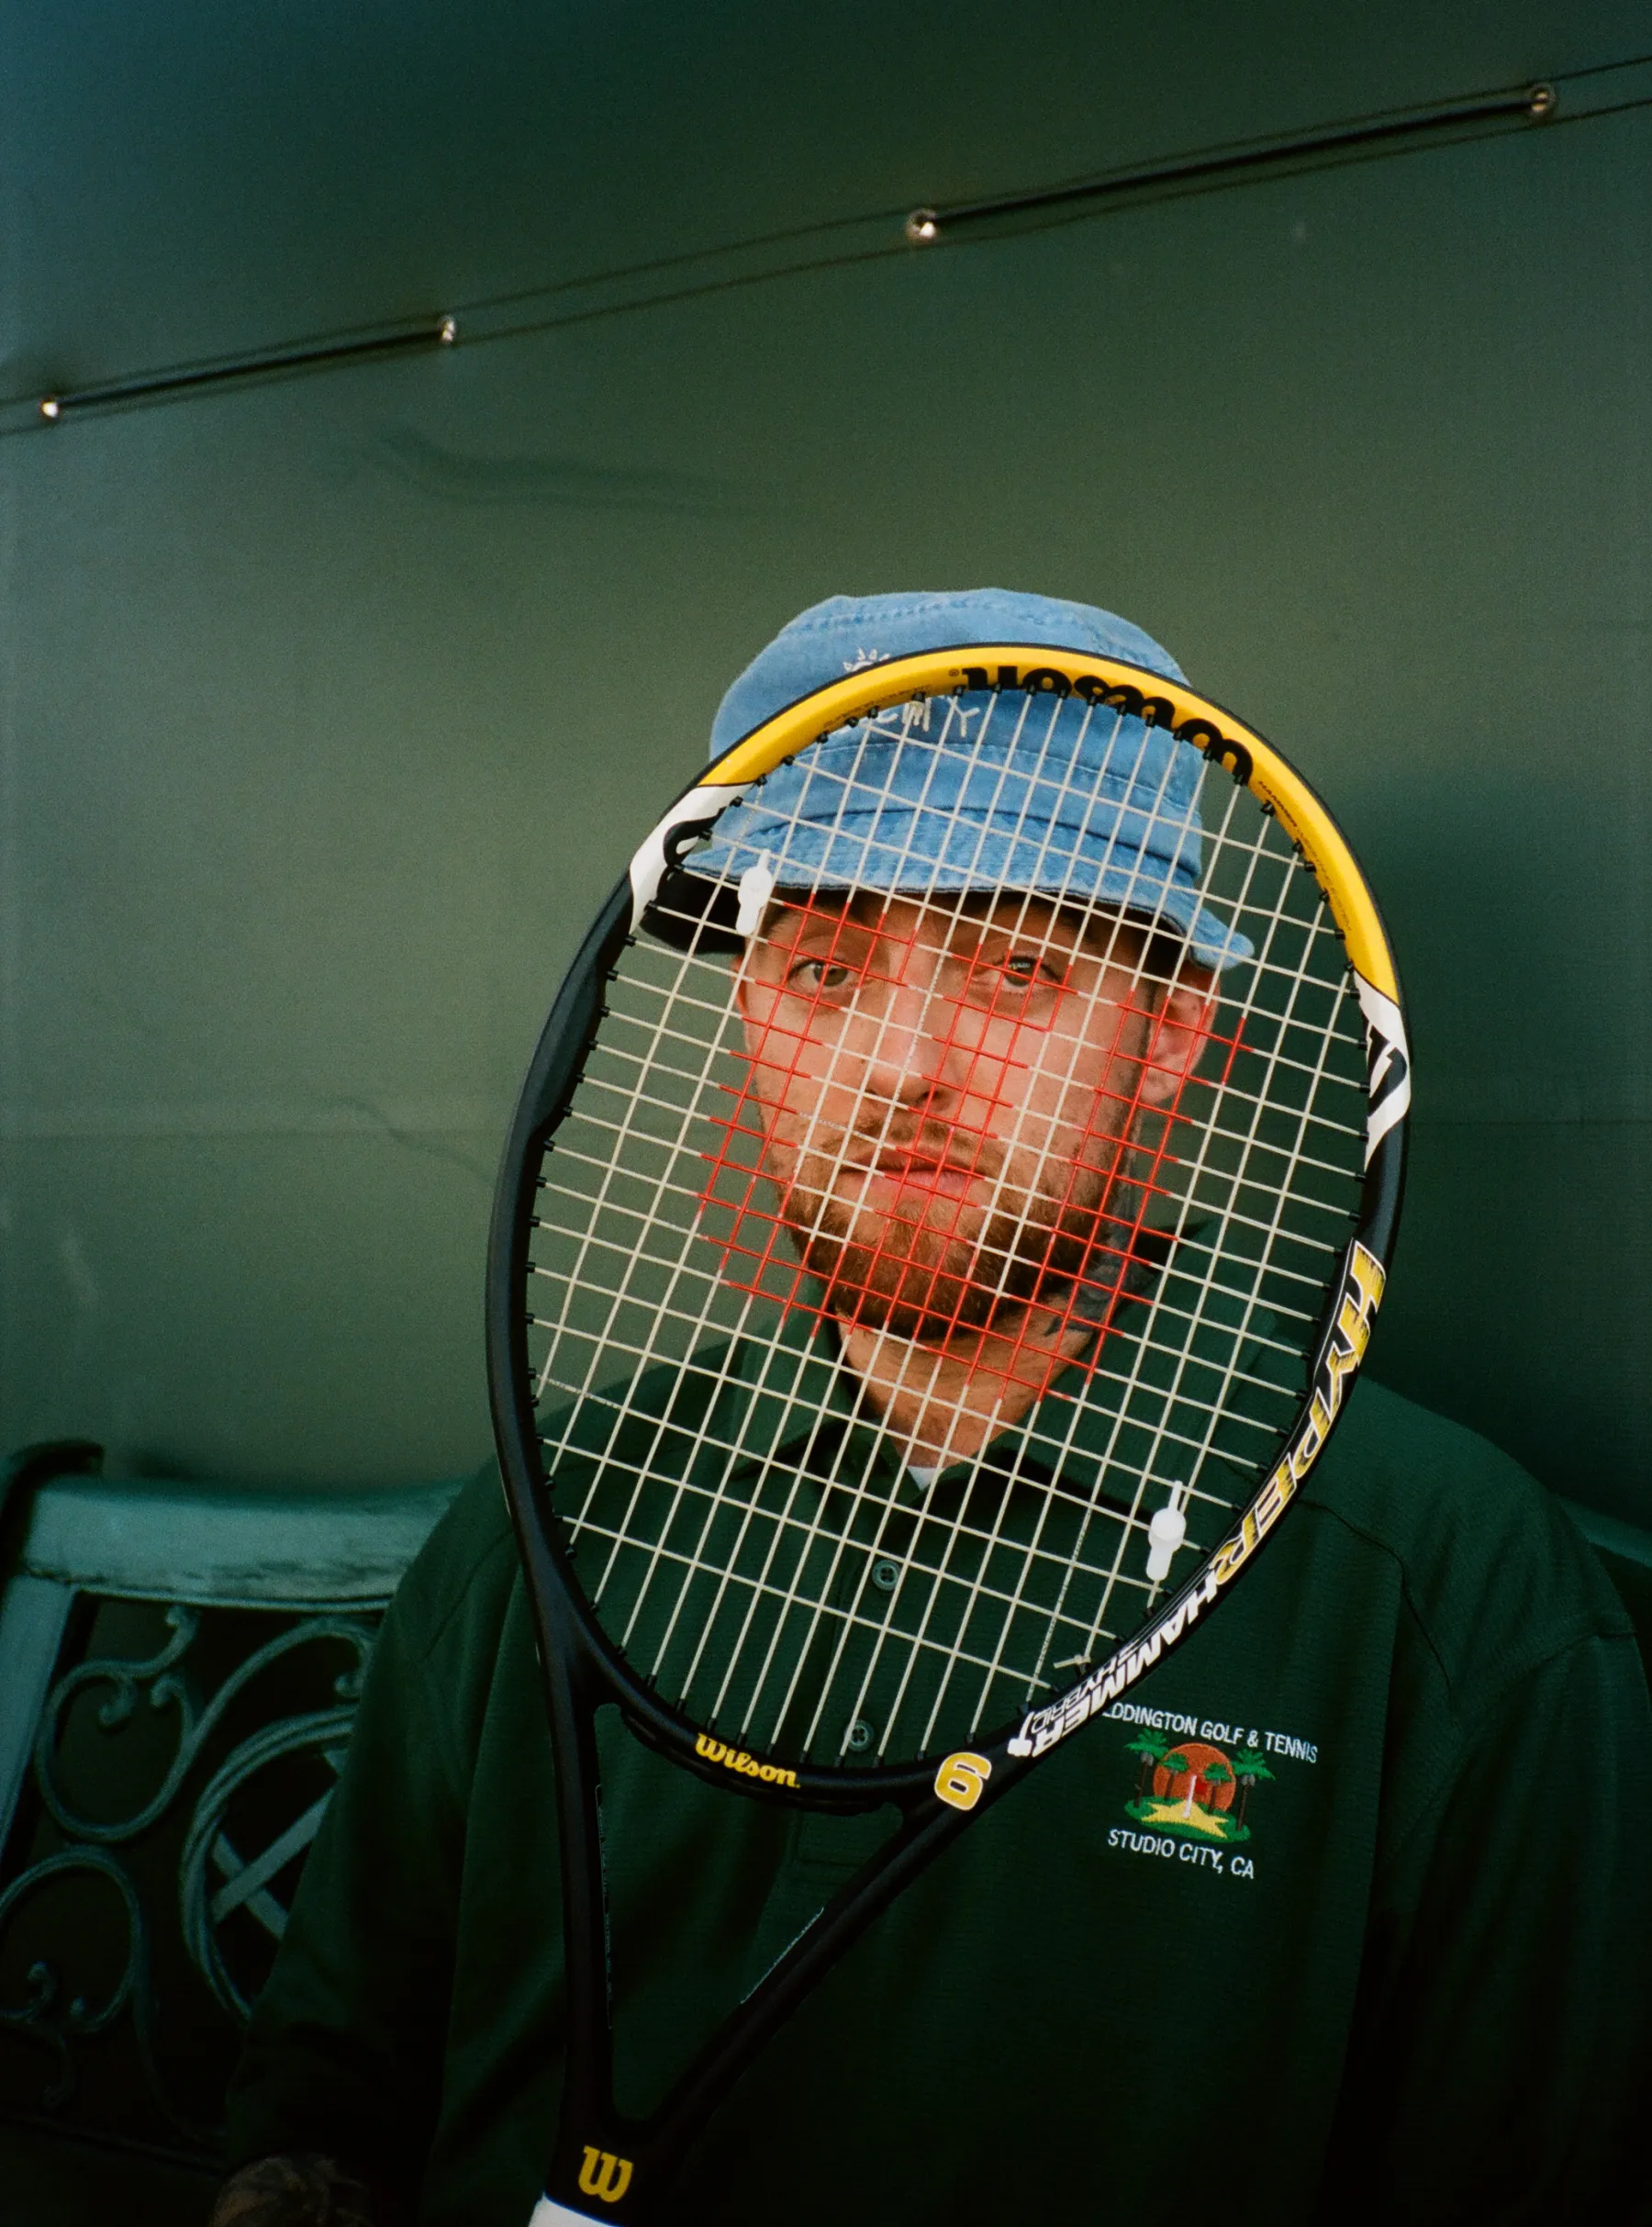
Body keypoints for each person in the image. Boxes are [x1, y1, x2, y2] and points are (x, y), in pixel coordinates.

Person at [217, 591, 1652, 2227]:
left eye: (1018, 971)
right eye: (826, 967)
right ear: (750, 1013)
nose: (903, 1061)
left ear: (1172, 1034)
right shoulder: (563, 1508)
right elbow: (324, 2108)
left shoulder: (1449, 1599)